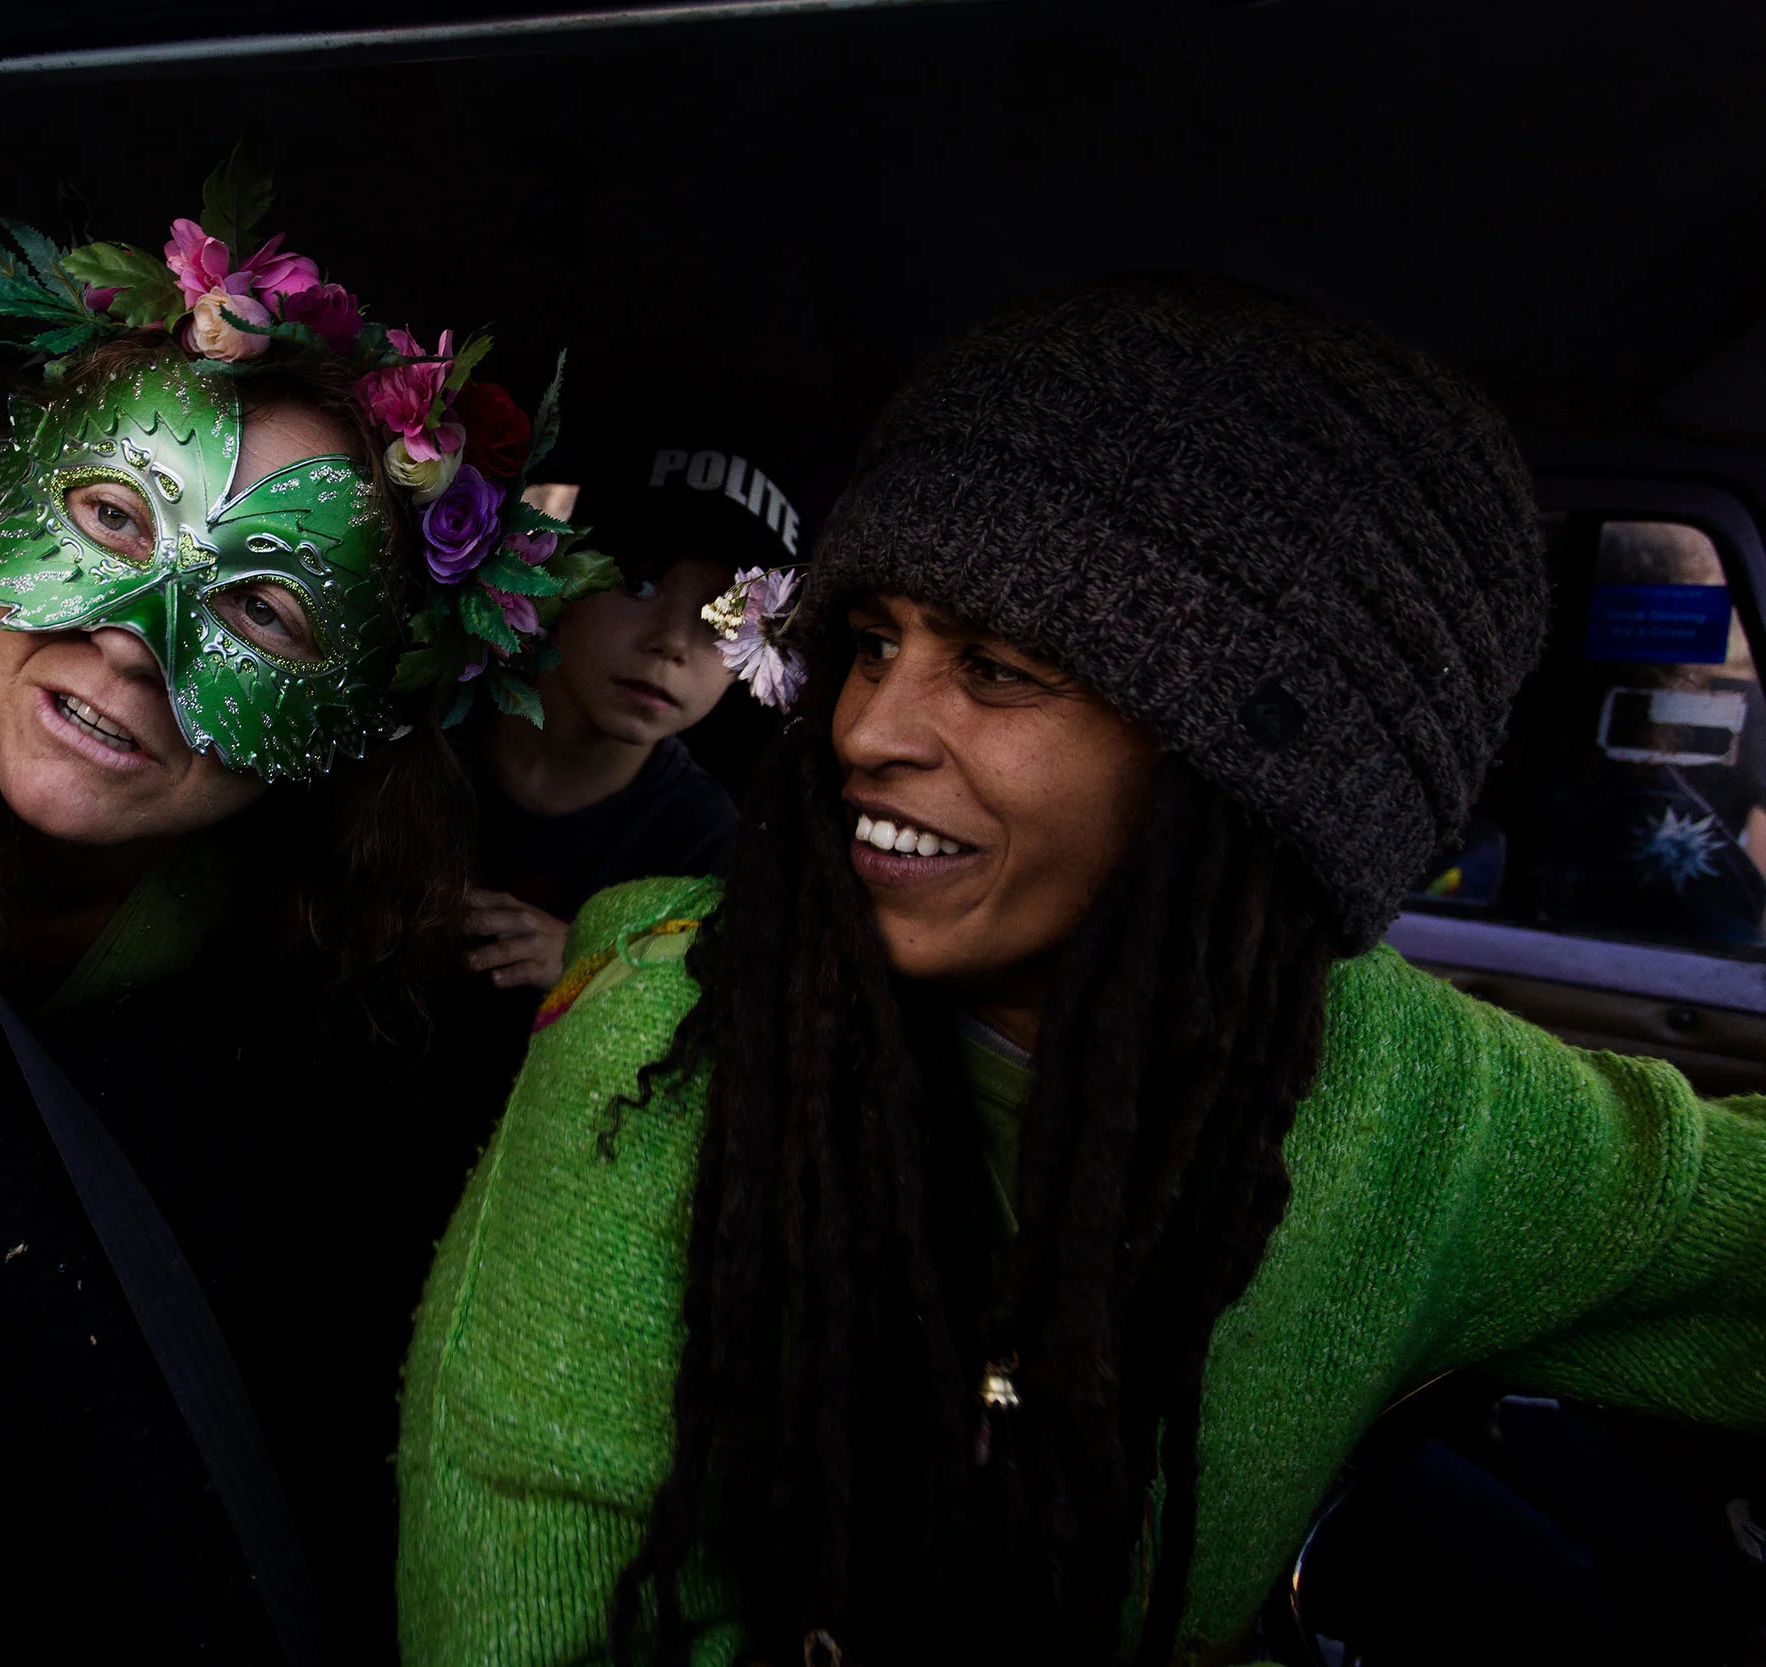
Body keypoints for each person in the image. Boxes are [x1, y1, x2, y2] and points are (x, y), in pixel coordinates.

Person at [395, 276, 1766, 1667]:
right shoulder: (667, 1035)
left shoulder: (1418, 1091)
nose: (870, 725)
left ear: (1251, 776)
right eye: (874, 643)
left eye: (994, 667)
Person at [0, 163, 611, 1661]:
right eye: (114, 516)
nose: (131, 637)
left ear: (355, 722)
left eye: (262, 608)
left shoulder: (323, 1036)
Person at [465, 445, 801, 991]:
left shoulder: (705, 845)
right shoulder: (427, 735)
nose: (671, 643)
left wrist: (601, 966)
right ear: (557, 566)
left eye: (724, 618)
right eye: (639, 584)